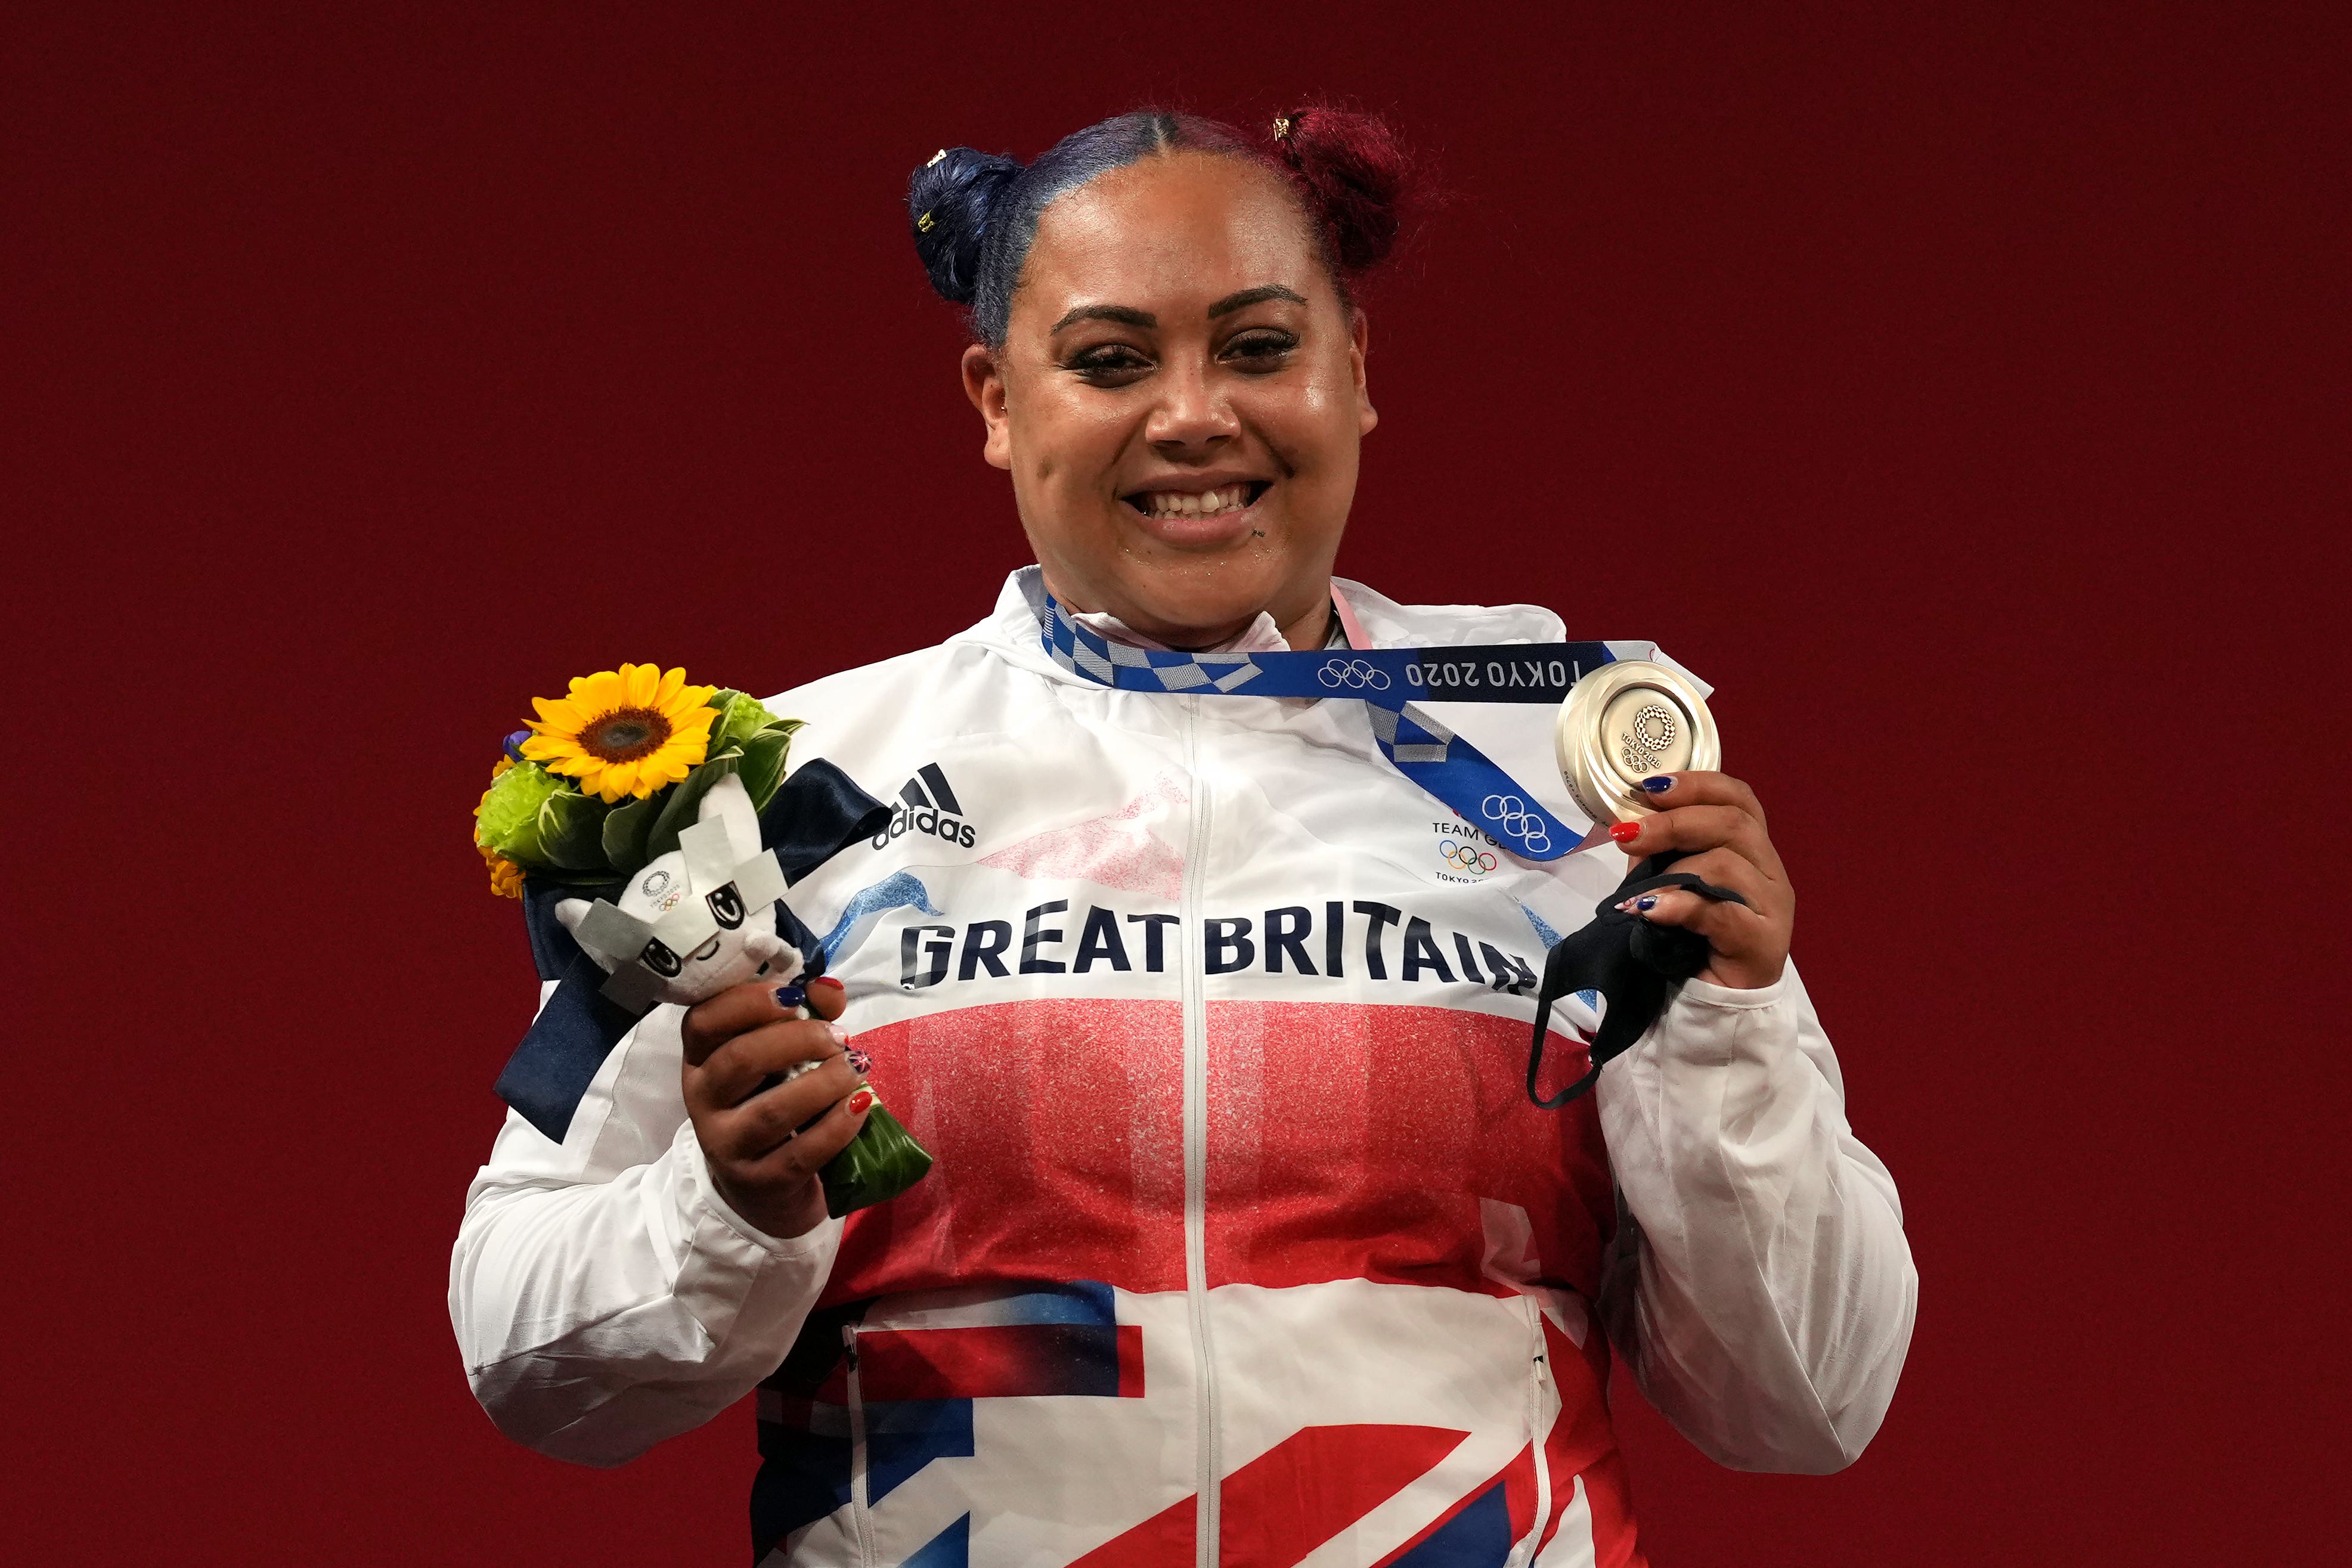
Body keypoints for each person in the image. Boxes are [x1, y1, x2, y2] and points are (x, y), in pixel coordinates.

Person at [450, 106, 1916, 1568]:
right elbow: (524, 1354)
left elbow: (1805, 1398)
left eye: (1260, 347)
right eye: (1108, 362)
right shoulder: (774, 792)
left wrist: (1721, 1027)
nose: (1194, 413)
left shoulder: (1561, 768)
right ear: (995, 399)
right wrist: (725, 1208)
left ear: (1354, 375)